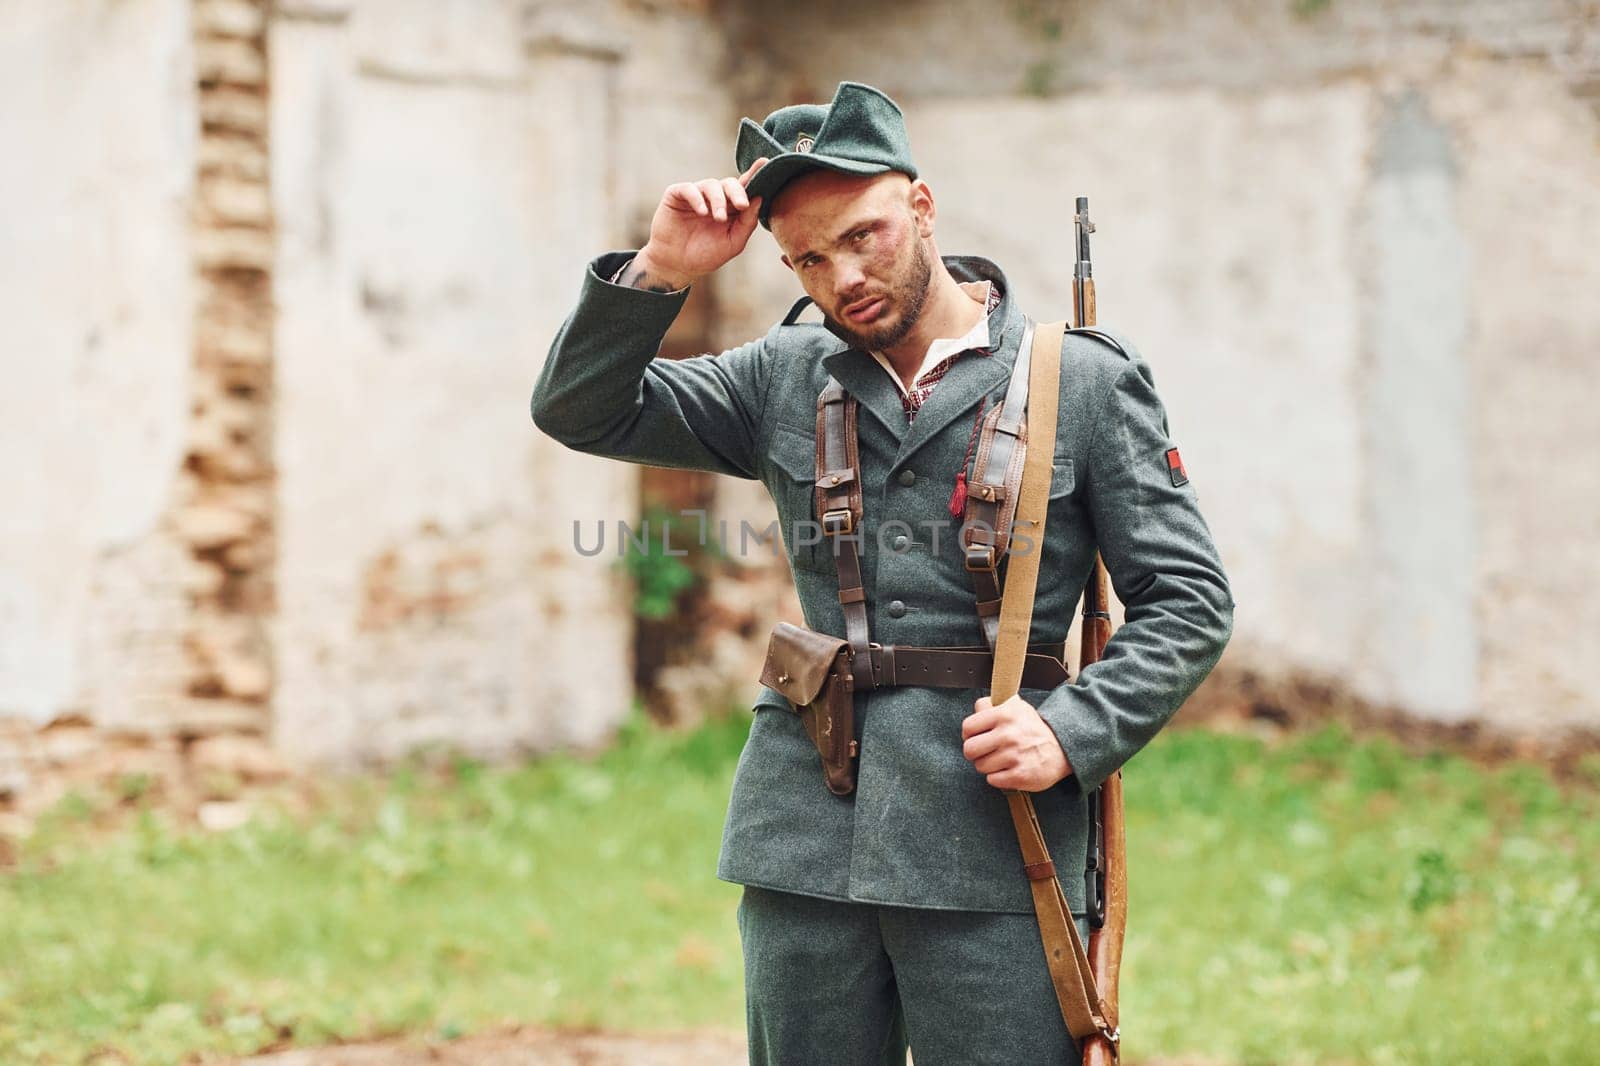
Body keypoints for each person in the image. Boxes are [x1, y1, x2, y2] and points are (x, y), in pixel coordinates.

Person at [532, 81, 1233, 1066]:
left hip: (997, 834)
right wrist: (660, 270)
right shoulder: (782, 373)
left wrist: (1071, 732)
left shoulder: (1079, 381)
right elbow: (579, 410)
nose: (842, 276)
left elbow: (1188, 600)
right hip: (807, 831)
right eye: (808, 258)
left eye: (863, 235)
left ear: (922, 206)